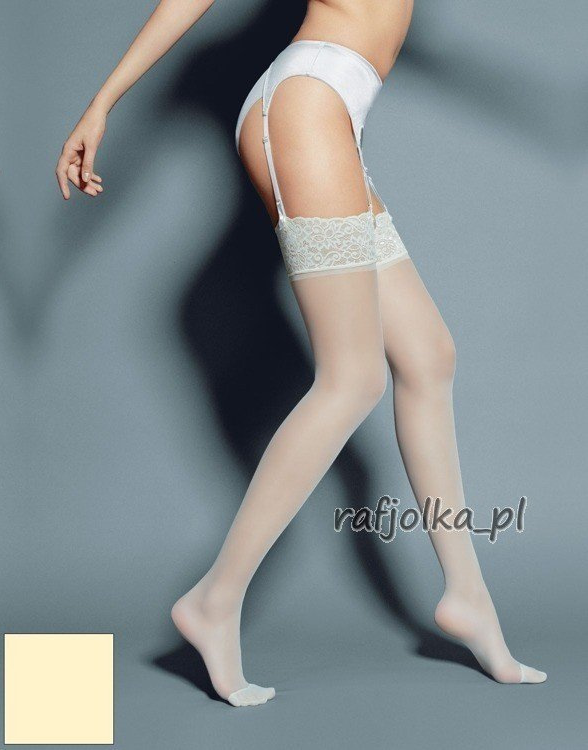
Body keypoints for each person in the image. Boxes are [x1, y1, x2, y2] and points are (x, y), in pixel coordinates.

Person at [56, 0, 547, 708]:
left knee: (428, 356)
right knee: (352, 379)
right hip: (310, 103)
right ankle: (214, 601)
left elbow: (434, 57)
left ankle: (466, 596)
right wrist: (102, 103)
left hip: (333, 108)